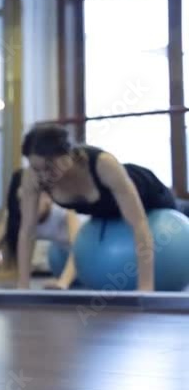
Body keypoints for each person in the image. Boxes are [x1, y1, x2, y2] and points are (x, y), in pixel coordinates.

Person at [16, 125, 178, 291]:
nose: (44, 175)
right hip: (107, 213)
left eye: (49, 167)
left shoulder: (103, 164)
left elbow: (139, 224)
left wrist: (145, 288)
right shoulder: (33, 178)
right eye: (37, 168)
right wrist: (23, 288)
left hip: (151, 195)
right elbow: (27, 231)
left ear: (67, 154)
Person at [0, 169, 83, 290]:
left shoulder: (66, 210)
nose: (27, 207)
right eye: (22, 201)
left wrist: (63, 282)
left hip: (89, 248)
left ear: (47, 197)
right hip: (62, 253)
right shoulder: (16, 215)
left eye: (33, 200)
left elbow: (78, 248)